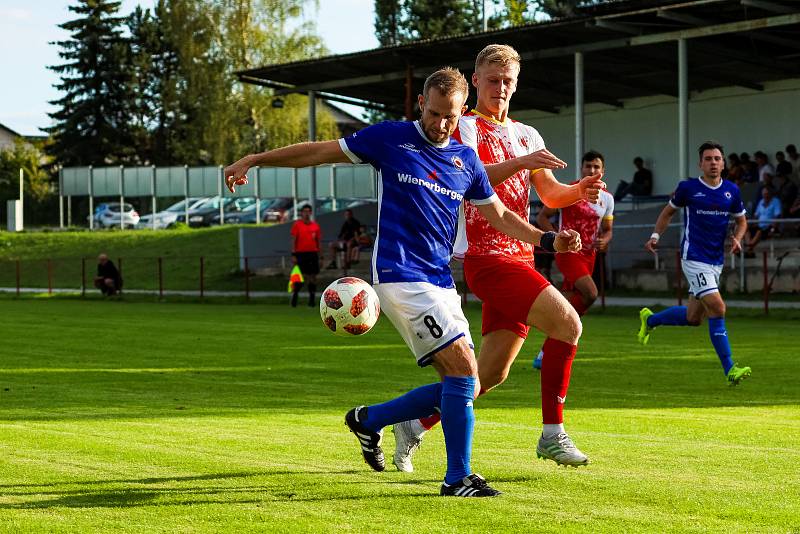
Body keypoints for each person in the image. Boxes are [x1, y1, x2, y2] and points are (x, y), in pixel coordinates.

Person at [224, 66, 599, 498]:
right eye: (436, 114)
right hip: (399, 275)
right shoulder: (390, 138)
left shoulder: (465, 159)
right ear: (421, 104)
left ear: (461, 112)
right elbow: (319, 151)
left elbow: (499, 216)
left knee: (467, 380)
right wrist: (255, 159)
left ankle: (370, 420)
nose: (442, 125)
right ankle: (458, 478)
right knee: (463, 372)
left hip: (440, 280)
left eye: (451, 117)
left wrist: (547, 239)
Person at [390, 44, 605, 474]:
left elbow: (548, 194)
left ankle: (412, 425)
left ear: (516, 84)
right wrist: (522, 162)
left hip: (521, 258)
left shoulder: (528, 134)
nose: (501, 88)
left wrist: (577, 191)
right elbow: (473, 180)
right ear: (475, 81)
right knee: (569, 325)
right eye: (493, 80)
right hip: (486, 258)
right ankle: (552, 434)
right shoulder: (464, 128)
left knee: (485, 376)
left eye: (508, 81)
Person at [638, 141, 751, 386]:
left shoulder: (731, 191)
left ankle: (651, 320)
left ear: (723, 163)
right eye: (708, 158)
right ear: (700, 163)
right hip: (694, 257)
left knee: (693, 318)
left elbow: (742, 221)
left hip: (715, 261)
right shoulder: (688, 188)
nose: (713, 162)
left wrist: (738, 239)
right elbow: (668, 213)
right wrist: (655, 236)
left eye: (717, 158)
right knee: (718, 308)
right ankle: (730, 367)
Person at [532, 150, 614, 369]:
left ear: (603, 171)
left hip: (589, 256)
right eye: (588, 166)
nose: (592, 170)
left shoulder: (607, 199)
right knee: (591, 293)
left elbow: (607, 230)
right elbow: (542, 217)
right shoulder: (570, 191)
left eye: (597, 167)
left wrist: (605, 240)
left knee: (567, 309)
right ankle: (553, 348)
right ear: (582, 169)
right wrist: (556, 239)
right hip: (569, 253)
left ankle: (546, 353)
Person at [289, 205, 321, 307]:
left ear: (311, 213)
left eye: (308, 211)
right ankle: (294, 298)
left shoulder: (315, 226)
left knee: (313, 277)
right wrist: (293, 255)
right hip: (301, 254)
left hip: (312, 253)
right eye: (305, 211)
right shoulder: (297, 225)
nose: (307, 213)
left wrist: (320, 256)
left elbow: (318, 242)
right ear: (301, 213)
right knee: (299, 277)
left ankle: (311, 301)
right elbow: (293, 240)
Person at [745, 186, 782, 255]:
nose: (765, 196)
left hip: (769, 227)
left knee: (759, 231)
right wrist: (752, 223)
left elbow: (778, 216)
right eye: (764, 194)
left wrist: (773, 229)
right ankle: (750, 250)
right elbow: (756, 215)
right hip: (759, 225)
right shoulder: (761, 201)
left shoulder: (776, 201)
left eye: (767, 194)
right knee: (746, 229)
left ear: (770, 194)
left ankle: (748, 250)